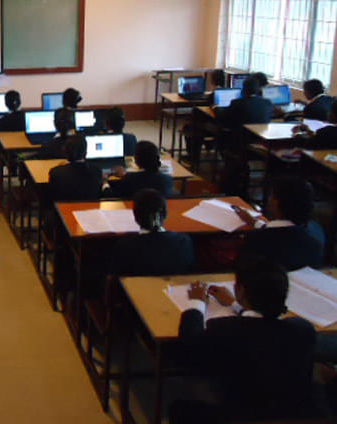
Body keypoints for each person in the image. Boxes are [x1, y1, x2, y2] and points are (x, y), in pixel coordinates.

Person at [170, 256, 318, 423]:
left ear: (240, 290)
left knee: (179, 408)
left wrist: (196, 303)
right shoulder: (303, 331)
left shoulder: (224, 329)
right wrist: (237, 305)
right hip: (292, 413)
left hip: (238, 414)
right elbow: (262, 325)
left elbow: (189, 348)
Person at [236, 176, 324, 270]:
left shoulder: (258, 241)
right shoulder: (316, 236)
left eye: (271, 197)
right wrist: (256, 223)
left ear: (276, 203)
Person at [108, 189, 194, 276]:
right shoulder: (184, 241)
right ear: (166, 214)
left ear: (135, 217)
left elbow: (116, 277)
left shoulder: (125, 246)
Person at [107, 141, 173, 198]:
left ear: (136, 160)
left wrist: (105, 182)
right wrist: (125, 175)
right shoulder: (168, 179)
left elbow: (112, 195)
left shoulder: (130, 180)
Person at [48, 135, 102, 202]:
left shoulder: (56, 172)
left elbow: (51, 196)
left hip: (64, 210)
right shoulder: (96, 171)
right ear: (86, 152)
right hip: (90, 209)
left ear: (65, 152)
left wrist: (61, 168)